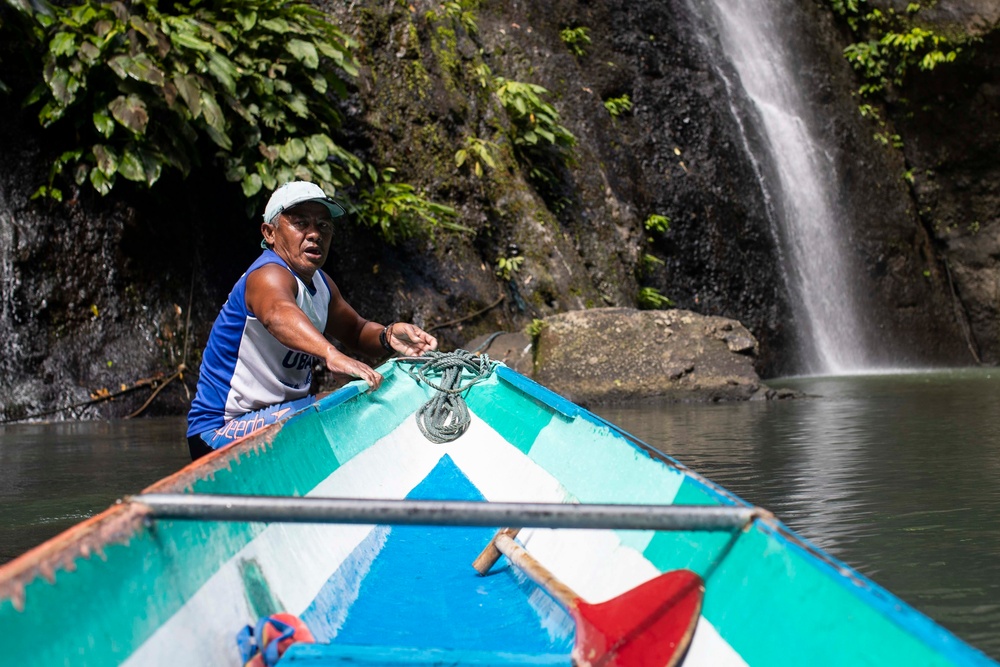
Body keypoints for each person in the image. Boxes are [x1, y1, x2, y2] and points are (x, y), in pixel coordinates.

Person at [186, 181, 438, 460]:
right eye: (300, 223)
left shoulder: (321, 285)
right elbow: (277, 314)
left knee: (356, 396)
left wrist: (388, 336)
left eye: (324, 226)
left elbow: (357, 330)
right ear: (270, 233)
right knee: (342, 404)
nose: (314, 234)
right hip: (219, 431)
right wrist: (330, 353)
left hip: (286, 414)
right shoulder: (266, 276)